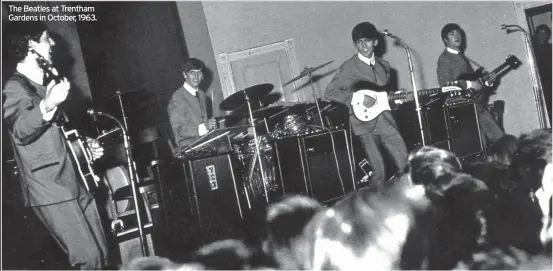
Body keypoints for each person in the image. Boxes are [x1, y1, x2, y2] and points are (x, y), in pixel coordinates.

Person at [3, 22, 108, 269]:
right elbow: (21, 131)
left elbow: (63, 134)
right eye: (46, 39)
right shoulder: (12, 88)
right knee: (88, 258)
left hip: (75, 180)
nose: (52, 44)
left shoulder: (46, 83)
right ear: (31, 46)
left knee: (102, 254)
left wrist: (86, 146)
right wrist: (47, 105)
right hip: (50, 188)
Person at [325, 21, 408, 188]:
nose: (363, 46)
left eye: (367, 41)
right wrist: (357, 98)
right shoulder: (349, 67)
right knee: (379, 172)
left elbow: (382, 94)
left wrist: (395, 98)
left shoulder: (384, 66)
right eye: (359, 42)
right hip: (363, 124)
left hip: (386, 120)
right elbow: (329, 92)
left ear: (375, 42)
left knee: (405, 163)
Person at [436, 23, 505, 148]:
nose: (457, 36)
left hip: (477, 106)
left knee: (500, 139)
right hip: (463, 109)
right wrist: (468, 84)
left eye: (458, 32)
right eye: (452, 34)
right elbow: (445, 84)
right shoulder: (445, 59)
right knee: (479, 144)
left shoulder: (461, 57)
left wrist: (487, 83)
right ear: (445, 40)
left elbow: (474, 84)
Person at [167, 58, 217, 155]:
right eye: (192, 72)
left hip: (204, 144)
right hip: (188, 149)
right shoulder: (177, 98)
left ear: (203, 75)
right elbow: (178, 130)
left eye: (199, 72)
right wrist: (205, 127)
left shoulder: (202, 95)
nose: (196, 76)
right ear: (185, 75)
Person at [533, 24, 552, 122]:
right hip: (538, 81)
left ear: (548, 35)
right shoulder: (532, 48)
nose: (542, 35)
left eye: (544, 33)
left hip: (549, 82)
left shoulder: (550, 48)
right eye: (540, 33)